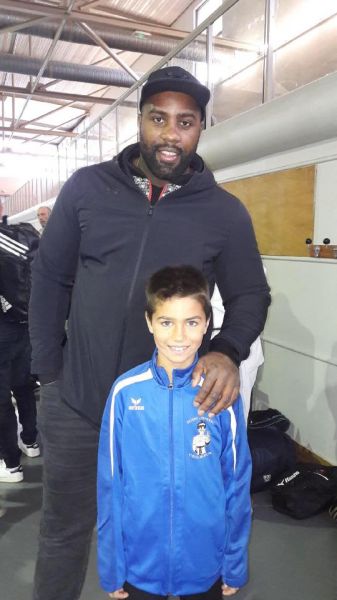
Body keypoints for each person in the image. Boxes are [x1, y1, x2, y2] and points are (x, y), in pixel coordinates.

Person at [29, 65, 270, 600]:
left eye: (185, 122)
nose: (170, 133)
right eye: (159, 118)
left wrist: (228, 349)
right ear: (139, 120)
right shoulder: (87, 188)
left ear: (200, 130)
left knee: (162, 530)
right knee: (64, 533)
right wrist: (48, 374)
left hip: (169, 411)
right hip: (79, 404)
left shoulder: (224, 213)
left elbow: (253, 294)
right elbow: (49, 278)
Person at [97, 266, 252, 599]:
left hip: (204, 563)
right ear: (150, 322)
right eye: (167, 322)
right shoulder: (125, 392)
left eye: (192, 322)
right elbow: (110, 482)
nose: (179, 337)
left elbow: (237, 482)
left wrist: (233, 562)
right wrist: (112, 566)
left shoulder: (220, 394)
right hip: (141, 564)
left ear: (207, 323)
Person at [0, 218, 40, 484]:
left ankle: (10, 463)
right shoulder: (24, 234)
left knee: (1, 398)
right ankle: (31, 441)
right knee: (24, 386)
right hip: (26, 324)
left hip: (2, 329)